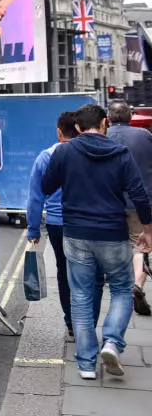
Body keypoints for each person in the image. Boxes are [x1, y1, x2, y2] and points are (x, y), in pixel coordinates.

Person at [41, 103, 152, 379]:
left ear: (77, 128)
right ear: (105, 123)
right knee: (121, 288)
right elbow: (139, 194)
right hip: (112, 233)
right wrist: (148, 230)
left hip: (76, 233)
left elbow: (46, 186)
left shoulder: (65, 151)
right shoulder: (121, 154)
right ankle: (112, 342)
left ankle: (87, 364)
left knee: (80, 295)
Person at [27, 111, 103, 334]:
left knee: (64, 270)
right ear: (79, 129)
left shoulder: (46, 156)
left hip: (57, 223)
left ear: (59, 132)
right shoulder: (91, 152)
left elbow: (35, 196)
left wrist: (33, 227)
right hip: (90, 221)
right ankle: (88, 321)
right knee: (91, 273)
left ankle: (71, 320)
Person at [103, 100, 152, 317]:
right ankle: (137, 284)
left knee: (112, 244)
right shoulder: (144, 136)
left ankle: (119, 284)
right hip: (139, 202)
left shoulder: (103, 137)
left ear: (108, 118)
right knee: (140, 245)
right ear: (130, 117)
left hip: (109, 202)